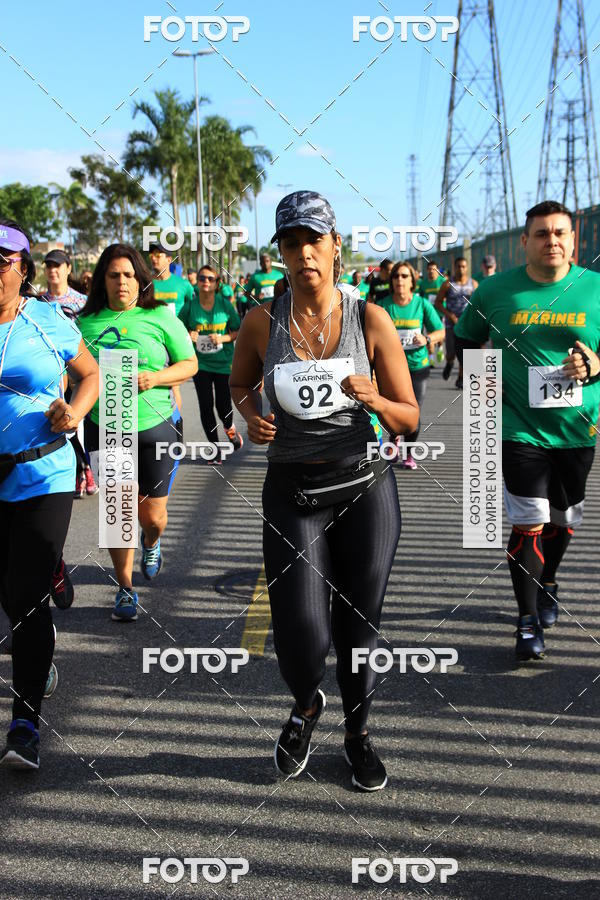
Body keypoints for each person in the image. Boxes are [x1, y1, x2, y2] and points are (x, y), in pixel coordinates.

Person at [230, 191, 418, 791]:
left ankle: (359, 735)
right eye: (291, 242)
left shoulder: (370, 319)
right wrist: (249, 416)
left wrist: (376, 400)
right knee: (301, 636)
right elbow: (239, 383)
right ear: (280, 253)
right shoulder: (263, 320)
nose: (304, 253)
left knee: (358, 628)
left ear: (337, 246)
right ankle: (306, 704)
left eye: (315, 240)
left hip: (365, 489)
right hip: (293, 491)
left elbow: (409, 417)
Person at [455, 200, 600, 661]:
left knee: (565, 516)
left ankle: (549, 581)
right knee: (528, 518)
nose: (551, 241)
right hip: (517, 427)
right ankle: (527, 618)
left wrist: (593, 366)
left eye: (560, 233)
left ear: (574, 240)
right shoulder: (497, 291)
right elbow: (464, 337)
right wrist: (484, 384)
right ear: (524, 242)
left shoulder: (595, 290)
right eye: (541, 234)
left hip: (578, 428)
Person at [0, 219, 99, 769]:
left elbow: (90, 375)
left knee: (27, 592)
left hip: (44, 473)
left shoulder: (48, 321)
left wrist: (76, 411)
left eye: (2, 260)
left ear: (22, 268)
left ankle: (24, 724)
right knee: (10, 593)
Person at [78, 244, 197, 621]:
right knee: (118, 512)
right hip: (107, 425)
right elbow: (73, 373)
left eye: (129, 275)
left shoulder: (160, 317)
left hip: (156, 426)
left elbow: (190, 363)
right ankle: (125, 588)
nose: (122, 282)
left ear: (140, 280)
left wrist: (156, 377)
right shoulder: (85, 323)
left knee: (152, 516)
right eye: (114, 275)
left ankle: (152, 540)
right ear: (102, 281)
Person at [40, 249, 98, 501]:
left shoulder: (82, 302)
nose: (53, 270)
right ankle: (79, 469)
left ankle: (87, 468)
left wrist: (79, 371)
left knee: (78, 424)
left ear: (67, 269)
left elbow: (90, 338)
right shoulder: (38, 303)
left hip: (80, 372)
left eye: (58, 265)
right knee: (58, 423)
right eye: (48, 266)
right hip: (52, 374)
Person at [379, 262, 445, 469]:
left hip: (418, 366)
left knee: (413, 412)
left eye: (405, 276)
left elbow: (440, 331)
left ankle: (408, 454)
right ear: (391, 281)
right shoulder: (382, 305)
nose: (400, 280)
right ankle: (393, 438)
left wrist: (426, 339)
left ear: (412, 281)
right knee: (392, 411)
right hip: (391, 368)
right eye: (396, 276)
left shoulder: (421, 304)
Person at [179, 264, 243, 462]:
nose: (205, 282)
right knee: (206, 406)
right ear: (196, 282)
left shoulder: (224, 305)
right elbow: (177, 330)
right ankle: (215, 449)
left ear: (216, 284)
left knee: (224, 407)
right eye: (202, 278)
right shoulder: (190, 306)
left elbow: (237, 331)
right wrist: (188, 334)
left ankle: (229, 427)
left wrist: (222, 339)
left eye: (210, 279)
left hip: (223, 363)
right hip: (201, 364)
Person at [149, 242, 192, 434]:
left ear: (169, 259)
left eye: (159, 254)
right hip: (154, 341)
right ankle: (168, 425)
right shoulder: (147, 284)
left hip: (176, 341)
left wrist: (192, 329)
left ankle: (175, 424)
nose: (154, 257)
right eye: (152, 254)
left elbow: (194, 306)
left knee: (174, 386)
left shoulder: (183, 285)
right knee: (165, 387)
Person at [435, 257, 478, 388]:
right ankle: (449, 363)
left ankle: (461, 377)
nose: (461, 269)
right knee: (451, 352)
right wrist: (450, 315)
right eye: (458, 266)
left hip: (467, 324)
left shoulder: (474, 284)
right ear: (454, 267)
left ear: (467, 268)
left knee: (465, 351)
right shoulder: (447, 284)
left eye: (463, 266)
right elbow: (438, 303)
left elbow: (478, 303)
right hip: (451, 324)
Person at [418, 259, 446, 365]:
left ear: (437, 270)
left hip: (440, 312)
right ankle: (431, 358)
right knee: (430, 335)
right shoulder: (423, 283)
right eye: (429, 269)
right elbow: (420, 296)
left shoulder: (442, 282)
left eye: (434, 269)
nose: (431, 271)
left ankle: (440, 347)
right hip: (428, 312)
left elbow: (448, 294)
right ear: (426, 270)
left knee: (439, 336)